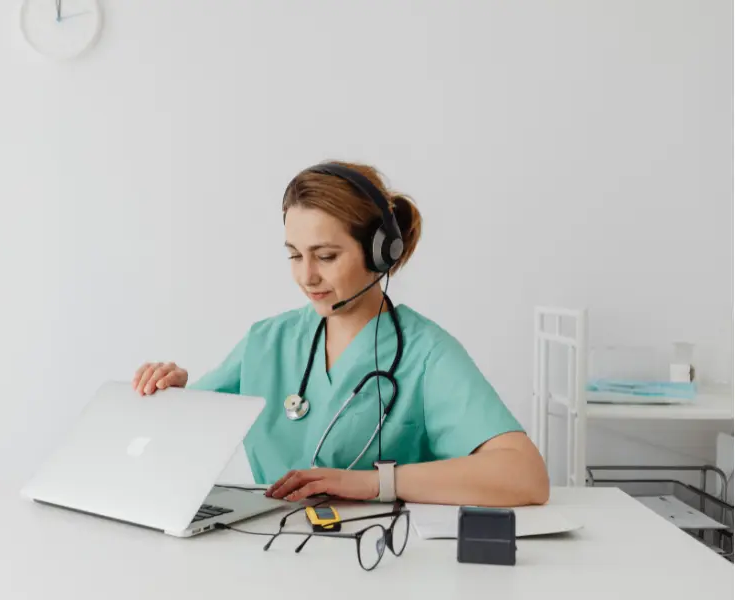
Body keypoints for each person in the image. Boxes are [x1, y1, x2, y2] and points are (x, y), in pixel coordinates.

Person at [132, 161, 549, 507]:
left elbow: (525, 475)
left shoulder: (426, 354)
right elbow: (172, 442)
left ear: (380, 252)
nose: (307, 276)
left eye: (326, 256)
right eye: (295, 256)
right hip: (267, 555)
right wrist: (174, 394)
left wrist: (374, 483)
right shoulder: (267, 342)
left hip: (377, 559)